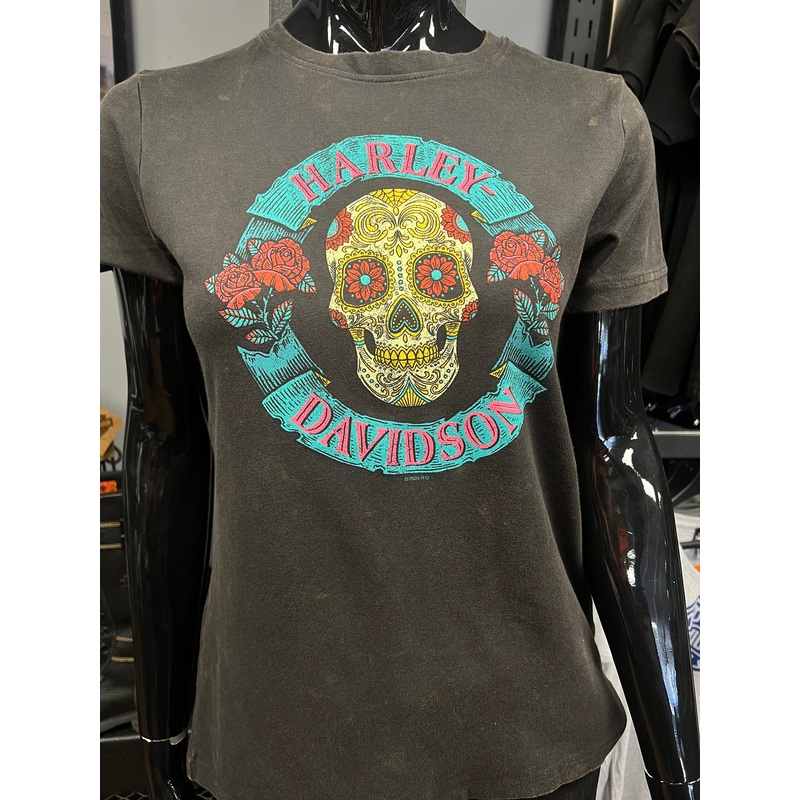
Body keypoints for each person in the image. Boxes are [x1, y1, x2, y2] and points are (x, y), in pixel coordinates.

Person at [100, 2, 700, 798]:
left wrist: (676, 765)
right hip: (270, 728)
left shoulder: (596, 120)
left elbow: (614, 446)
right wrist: (159, 727)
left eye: (437, 277)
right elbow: (163, 436)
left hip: (528, 732)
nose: (406, 315)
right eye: (366, 284)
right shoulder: (152, 123)